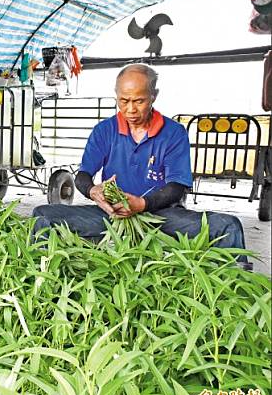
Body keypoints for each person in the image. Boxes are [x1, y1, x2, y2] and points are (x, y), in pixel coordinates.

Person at [33, 64, 252, 270]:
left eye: (139, 101)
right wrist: (92, 191)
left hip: (161, 217)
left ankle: (231, 291)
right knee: (42, 214)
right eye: (123, 100)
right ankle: (43, 279)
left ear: (153, 96)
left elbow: (177, 186)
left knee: (227, 225)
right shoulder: (104, 131)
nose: (130, 110)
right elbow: (83, 174)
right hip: (112, 215)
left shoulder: (173, 133)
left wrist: (142, 204)